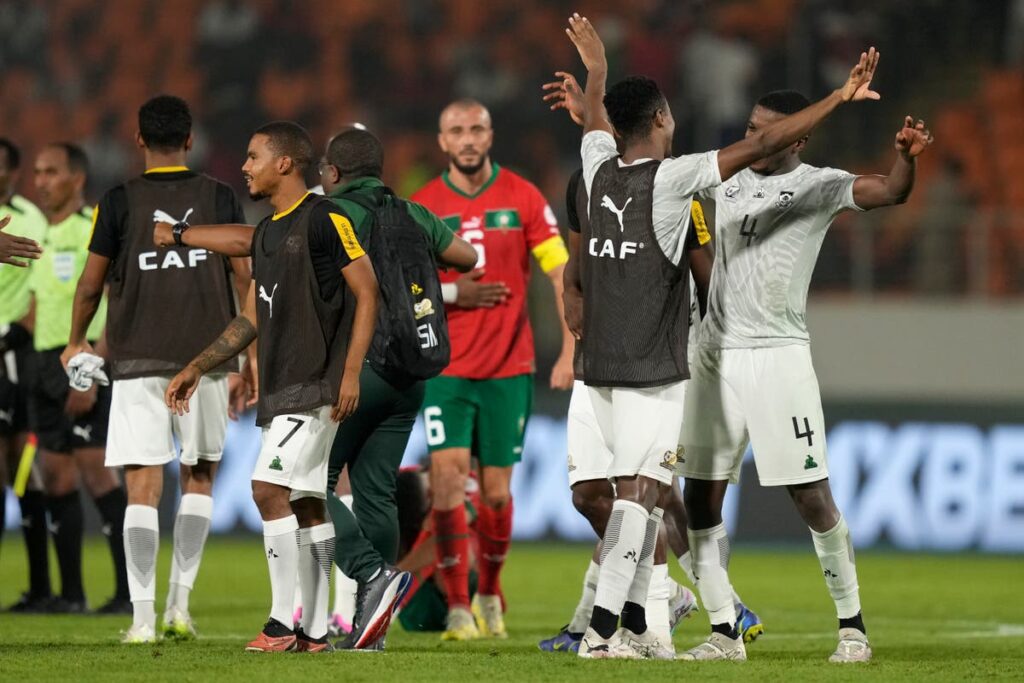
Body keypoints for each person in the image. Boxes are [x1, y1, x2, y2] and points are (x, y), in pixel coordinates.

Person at [560, 14, 881, 660]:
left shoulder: (595, 167)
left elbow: (597, 124)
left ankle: (642, 628)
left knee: (631, 497)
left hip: (598, 367)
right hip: (652, 368)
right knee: (639, 496)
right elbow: (763, 149)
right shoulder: (674, 180)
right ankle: (603, 634)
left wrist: (596, 75)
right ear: (660, 120)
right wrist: (837, 98)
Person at [677, 92, 933, 663]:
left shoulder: (820, 184)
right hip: (713, 354)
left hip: (778, 356)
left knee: (810, 495)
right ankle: (724, 632)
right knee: (699, 497)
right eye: (749, 128)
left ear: (798, 138)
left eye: (768, 132)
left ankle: (853, 628)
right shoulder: (726, 177)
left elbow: (891, 191)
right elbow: (683, 208)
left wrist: (906, 158)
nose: (755, 140)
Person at [164, 121, 383, 654]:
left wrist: (351, 372)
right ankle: (313, 634)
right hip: (284, 386)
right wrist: (199, 364)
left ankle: (281, 623)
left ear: (284, 163)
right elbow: (249, 318)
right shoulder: (267, 232)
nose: (244, 166)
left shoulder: (327, 218)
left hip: (316, 385)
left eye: (253, 155)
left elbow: (368, 290)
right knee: (308, 503)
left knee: (267, 491)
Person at [61, 95, 251, 643]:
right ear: (190, 141)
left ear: (139, 139)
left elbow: (91, 283)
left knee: (141, 486)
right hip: (209, 360)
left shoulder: (117, 202)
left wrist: (77, 342)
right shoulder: (218, 196)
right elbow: (245, 278)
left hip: (137, 361)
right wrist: (249, 357)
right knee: (199, 477)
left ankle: (142, 620)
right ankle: (179, 608)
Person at [411, 98, 574, 640]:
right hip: (446, 369)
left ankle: (489, 592)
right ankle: (458, 606)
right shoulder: (424, 205)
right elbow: (404, 290)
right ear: (442, 141)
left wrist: (571, 349)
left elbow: (559, 273)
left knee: (498, 495)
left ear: (490, 134)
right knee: (449, 484)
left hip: (509, 367)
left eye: (476, 128)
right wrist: (458, 290)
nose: (467, 138)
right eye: (456, 130)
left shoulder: (523, 197)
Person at [28, 143, 130, 614]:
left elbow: (113, 301)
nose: (40, 181)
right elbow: (35, 304)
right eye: (37, 173)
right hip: (42, 363)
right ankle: (70, 595)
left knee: (96, 472)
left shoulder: (94, 227)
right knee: (54, 476)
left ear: (77, 179)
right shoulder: (36, 232)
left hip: (83, 359)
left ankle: (129, 593)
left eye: (51, 172)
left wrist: (90, 371)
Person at [0, 138, 51, 613]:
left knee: (18, 464)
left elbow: (42, 289)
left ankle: (41, 586)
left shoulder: (32, 221)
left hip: (12, 353)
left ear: (12, 174)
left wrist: (16, 333)